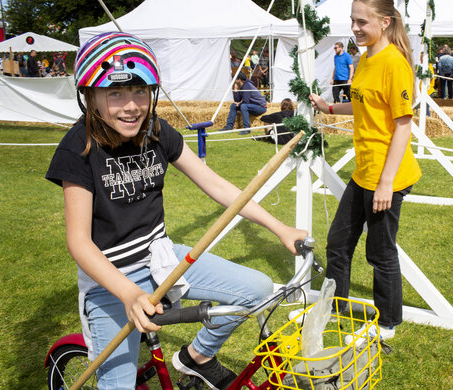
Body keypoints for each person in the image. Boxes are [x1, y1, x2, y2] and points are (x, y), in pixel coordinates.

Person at [45, 32, 307, 390]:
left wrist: (280, 228)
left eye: (140, 92)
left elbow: (216, 185)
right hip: (109, 280)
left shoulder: (156, 130)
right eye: (115, 93)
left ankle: (195, 358)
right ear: (89, 96)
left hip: (161, 259)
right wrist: (129, 293)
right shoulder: (78, 148)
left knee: (257, 289)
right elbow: (79, 242)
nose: (131, 106)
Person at [309, 0, 421, 342]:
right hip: (364, 172)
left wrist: (386, 184)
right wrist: (329, 107)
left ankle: (387, 326)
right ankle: (335, 308)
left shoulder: (393, 63)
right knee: (337, 243)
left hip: (388, 176)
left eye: (362, 22)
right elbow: (363, 104)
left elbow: (403, 125)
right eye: (352, 21)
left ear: (385, 22)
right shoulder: (365, 57)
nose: (355, 28)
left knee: (380, 252)